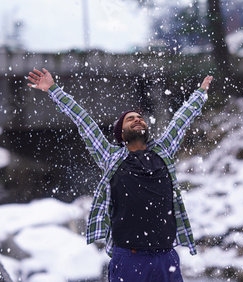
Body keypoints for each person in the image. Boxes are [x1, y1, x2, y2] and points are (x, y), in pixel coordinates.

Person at [27, 68, 213, 281]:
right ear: (121, 134)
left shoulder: (164, 150)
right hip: (129, 259)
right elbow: (83, 121)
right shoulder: (110, 157)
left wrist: (199, 94)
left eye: (140, 118)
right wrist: (53, 90)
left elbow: (182, 119)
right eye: (130, 119)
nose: (137, 120)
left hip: (166, 257)